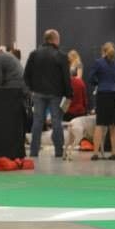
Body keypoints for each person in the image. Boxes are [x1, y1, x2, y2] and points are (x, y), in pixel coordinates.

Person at [23, 29, 71, 158]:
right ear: (55, 39)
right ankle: (59, 151)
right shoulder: (61, 55)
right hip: (56, 94)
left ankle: (34, 151)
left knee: (37, 121)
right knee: (56, 122)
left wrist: (31, 89)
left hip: (38, 93)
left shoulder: (34, 54)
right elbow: (66, 78)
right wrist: (69, 95)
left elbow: (26, 75)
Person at [89, 42, 115, 161]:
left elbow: (91, 78)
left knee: (100, 124)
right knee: (113, 125)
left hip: (103, 94)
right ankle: (114, 153)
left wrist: (98, 83)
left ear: (103, 51)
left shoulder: (98, 63)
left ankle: (95, 153)